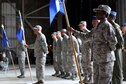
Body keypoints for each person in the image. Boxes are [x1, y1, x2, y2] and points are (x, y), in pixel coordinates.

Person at [68, 5, 117, 84]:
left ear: (105, 14)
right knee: (96, 81)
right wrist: (74, 31)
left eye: (99, 12)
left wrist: (105, 52)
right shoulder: (98, 26)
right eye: (97, 12)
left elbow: (113, 42)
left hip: (105, 60)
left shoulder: (107, 26)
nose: (96, 14)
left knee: (104, 81)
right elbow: (87, 36)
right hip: (97, 59)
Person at [108, 11, 124, 84]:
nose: (109, 18)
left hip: (116, 49)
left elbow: (120, 40)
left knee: (117, 68)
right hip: (109, 49)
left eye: (111, 17)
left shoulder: (116, 26)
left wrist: (119, 47)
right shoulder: (107, 25)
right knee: (110, 69)